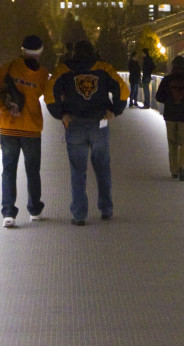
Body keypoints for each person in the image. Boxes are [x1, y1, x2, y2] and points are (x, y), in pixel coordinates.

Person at [46, 38, 127, 223]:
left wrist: (60, 114)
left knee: (78, 171)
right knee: (103, 168)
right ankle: (106, 209)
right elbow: (122, 90)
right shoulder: (104, 68)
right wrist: (115, 111)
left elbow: (49, 92)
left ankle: (79, 214)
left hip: (74, 124)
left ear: (74, 53)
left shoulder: (64, 70)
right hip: (99, 123)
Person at [0, 34, 51, 227]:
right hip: (31, 128)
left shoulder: (10, 67)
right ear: (40, 53)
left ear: (22, 50)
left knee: (9, 170)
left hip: (10, 127)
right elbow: (48, 96)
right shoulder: (42, 74)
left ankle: (8, 213)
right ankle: (35, 209)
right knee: (32, 171)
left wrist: (3, 107)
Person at [154, 55, 184, 180]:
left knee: (172, 143)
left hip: (170, 115)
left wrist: (170, 101)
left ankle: (173, 170)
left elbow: (158, 97)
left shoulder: (168, 79)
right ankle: (182, 168)